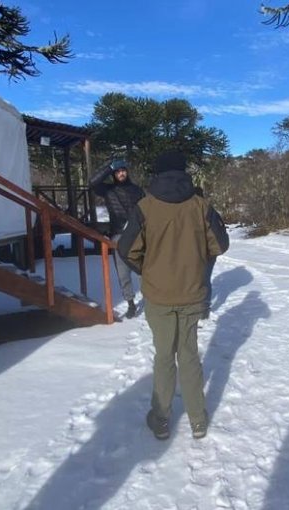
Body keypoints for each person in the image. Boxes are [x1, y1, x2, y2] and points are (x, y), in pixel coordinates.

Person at [118, 150, 229, 440]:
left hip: (159, 296)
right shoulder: (200, 205)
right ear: (184, 173)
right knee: (189, 356)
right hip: (192, 293)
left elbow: (126, 250)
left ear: (157, 174)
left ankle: (162, 419)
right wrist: (195, 261)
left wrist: (150, 270)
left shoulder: (146, 206)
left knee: (164, 357)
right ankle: (198, 421)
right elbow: (220, 244)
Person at [88, 158, 145, 318]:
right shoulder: (108, 190)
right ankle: (131, 303)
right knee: (122, 272)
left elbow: (145, 211)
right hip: (118, 234)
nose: (121, 173)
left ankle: (149, 299)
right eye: (118, 171)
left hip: (137, 234)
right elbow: (92, 183)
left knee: (142, 269)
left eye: (123, 170)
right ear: (114, 174)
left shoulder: (137, 190)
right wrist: (108, 167)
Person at [194, 185, 219, 320]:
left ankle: (203, 307)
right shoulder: (209, 210)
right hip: (208, 252)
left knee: (201, 280)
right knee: (204, 279)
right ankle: (204, 307)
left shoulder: (197, 211)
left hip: (204, 252)